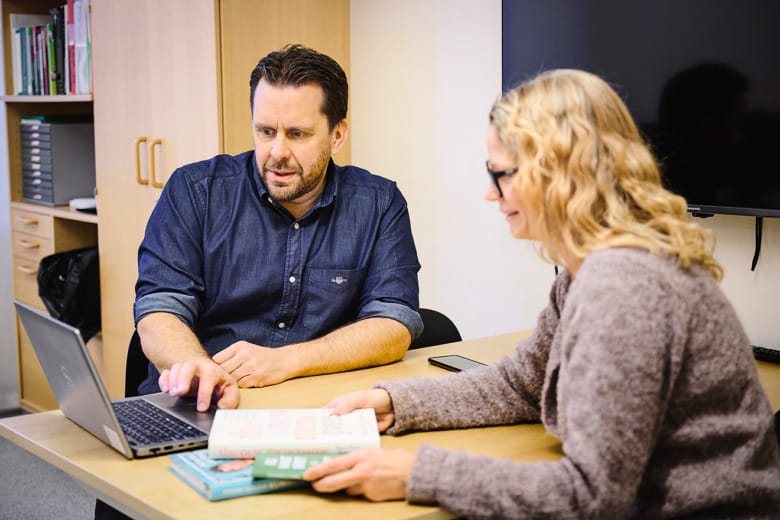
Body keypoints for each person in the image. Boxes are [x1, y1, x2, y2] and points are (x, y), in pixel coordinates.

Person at [302, 69, 780, 517]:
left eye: (502, 174)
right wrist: (399, 403)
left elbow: (590, 498)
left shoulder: (625, 289)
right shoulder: (591, 266)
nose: (491, 194)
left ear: (560, 174)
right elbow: (523, 384)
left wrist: (418, 473)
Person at [133, 44, 422, 411]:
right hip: (206, 403)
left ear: (337, 134)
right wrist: (199, 369)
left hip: (317, 405)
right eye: (266, 131)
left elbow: (394, 324)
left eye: (297, 134)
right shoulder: (195, 192)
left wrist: (286, 360)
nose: (277, 152)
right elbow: (159, 310)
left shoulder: (379, 203)